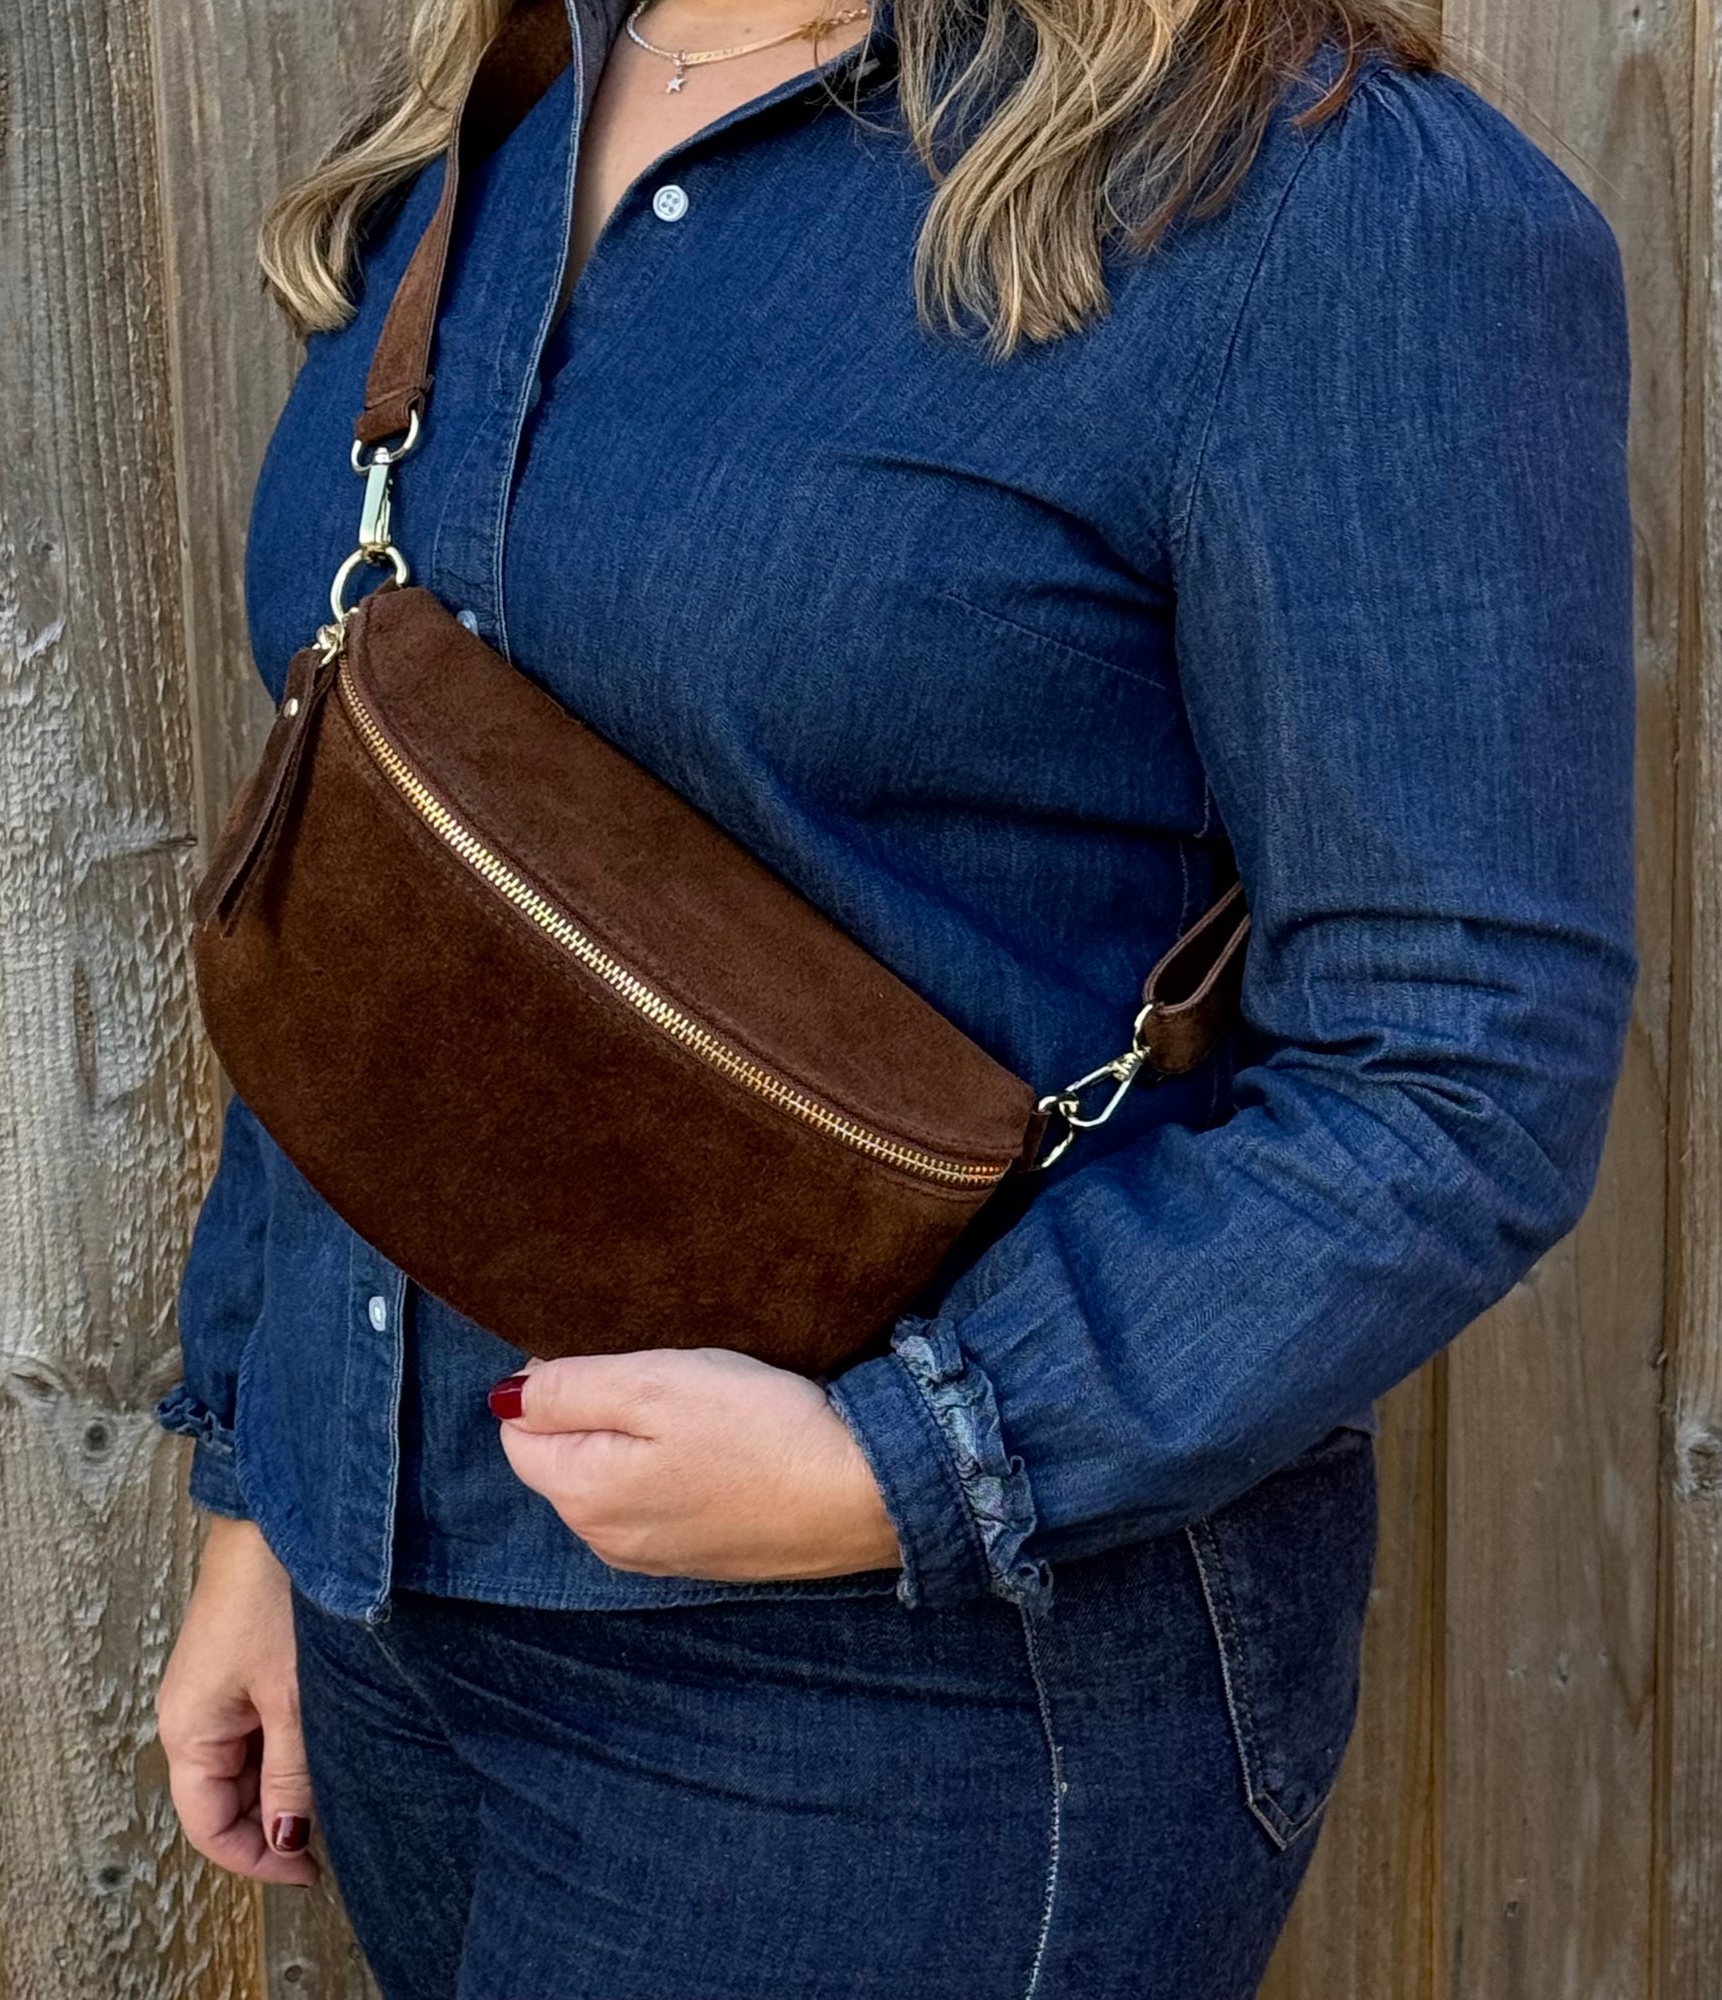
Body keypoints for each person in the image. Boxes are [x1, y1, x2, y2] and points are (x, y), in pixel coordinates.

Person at [152, 0, 1635, 1990]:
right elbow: (390, 886)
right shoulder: (512, 99)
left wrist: (908, 1462)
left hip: (906, 1706)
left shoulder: (1319, 201)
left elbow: (1459, 1064)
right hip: (400, 1640)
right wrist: (273, 1491)